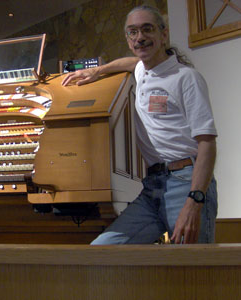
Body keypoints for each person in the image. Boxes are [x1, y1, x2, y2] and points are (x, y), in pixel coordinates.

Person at [61, 5, 217, 244]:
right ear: (127, 38)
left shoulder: (186, 78)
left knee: (191, 271)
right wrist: (97, 71)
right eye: (132, 32)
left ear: (163, 34)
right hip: (153, 185)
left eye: (147, 29)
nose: (140, 37)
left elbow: (207, 144)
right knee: (102, 250)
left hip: (185, 181)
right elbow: (129, 63)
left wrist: (195, 200)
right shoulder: (141, 70)